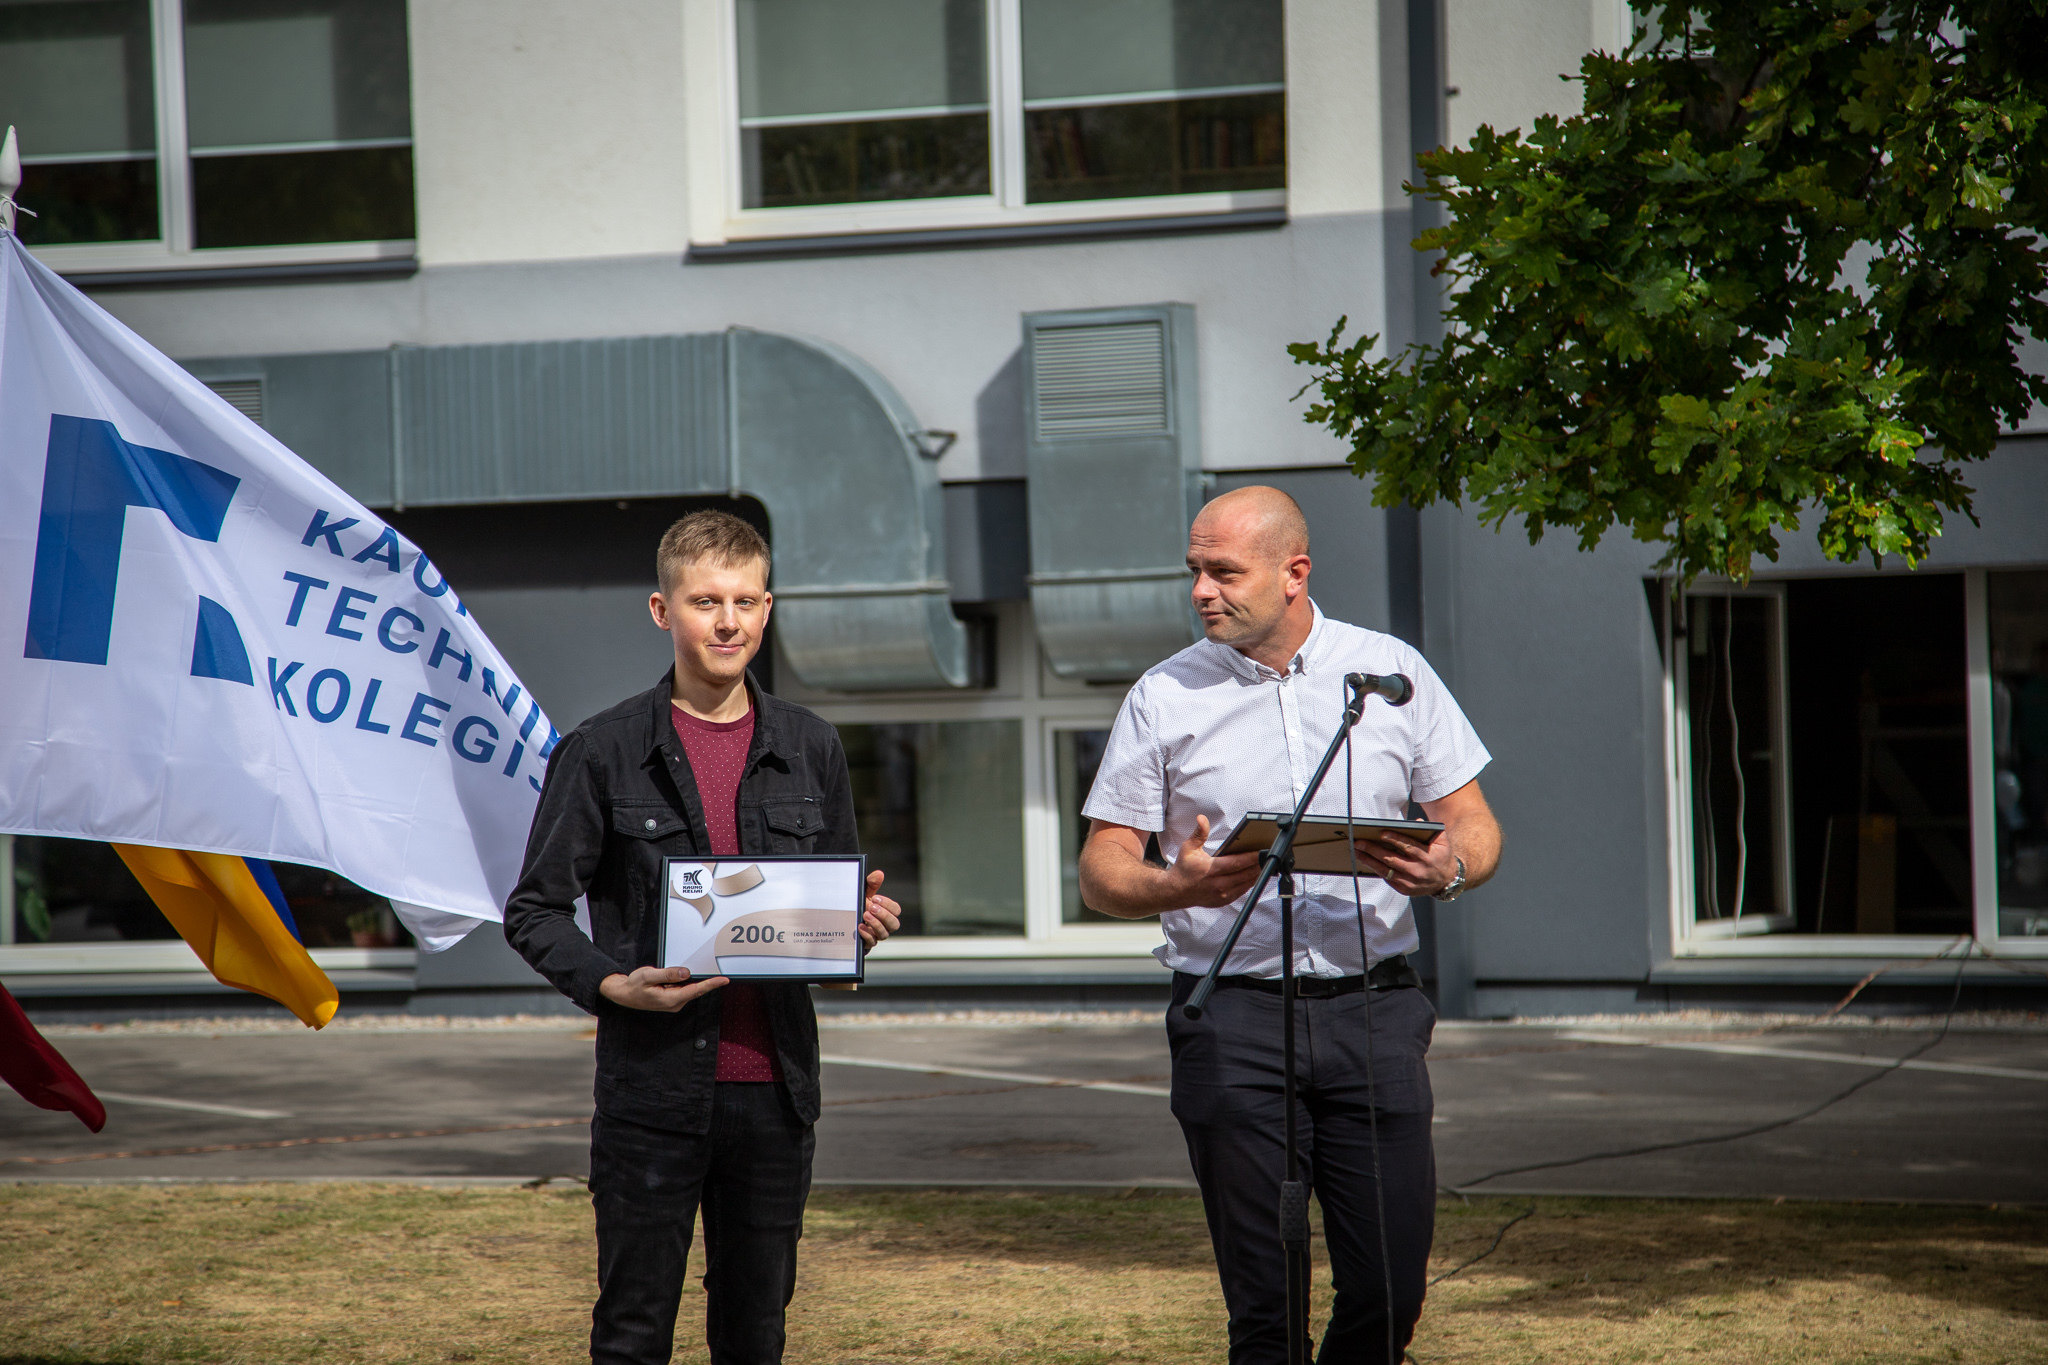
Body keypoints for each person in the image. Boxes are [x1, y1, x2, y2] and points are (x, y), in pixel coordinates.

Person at [1077, 486, 1502, 1365]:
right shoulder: (1163, 694)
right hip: (1231, 1020)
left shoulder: (1388, 670)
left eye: (1223, 571)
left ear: (1294, 572)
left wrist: (1448, 867)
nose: (1201, 590)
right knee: (1265, 1310)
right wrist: (1175, 884)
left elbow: (1475, 822)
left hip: (1374, 1014)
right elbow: (1101, 870)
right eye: (1193, 571)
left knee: (1389, 1288)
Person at [503, 509, 900, 1365]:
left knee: (756, 1334)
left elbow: (828, 932)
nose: (728, 621)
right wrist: (612, 983)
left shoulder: (812, 747)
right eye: (705, 600)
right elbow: (533, 909)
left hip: (776, 1095)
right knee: (634, 1330)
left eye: (747, 601)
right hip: (652, 1093)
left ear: (768, 608)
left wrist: (854, 933)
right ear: (661, 610)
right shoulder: (603, 749)